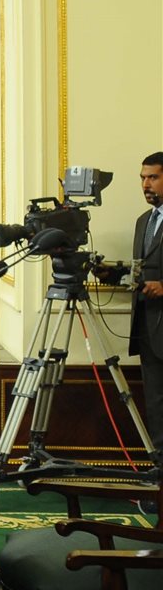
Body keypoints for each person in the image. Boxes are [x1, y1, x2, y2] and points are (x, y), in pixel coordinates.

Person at [134, 152, 163, 445]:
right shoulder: (143, 221)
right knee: (155, 403)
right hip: (148, 329)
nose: (145, 184)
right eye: (143, 178)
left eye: (153, 177)